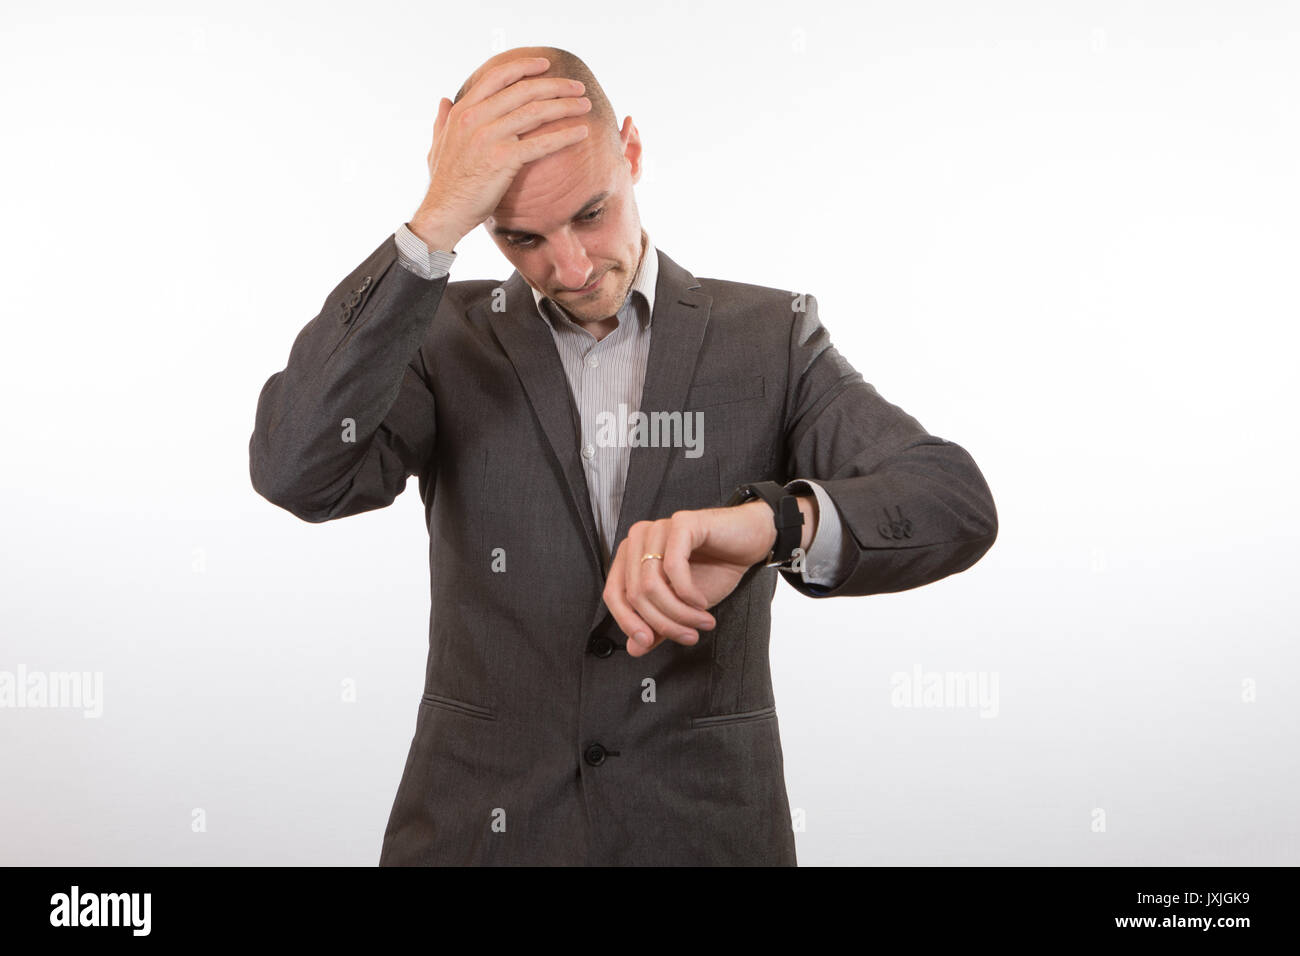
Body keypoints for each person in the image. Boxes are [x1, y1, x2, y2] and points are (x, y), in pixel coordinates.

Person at [249, 46, 998, 865]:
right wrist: (432, 224)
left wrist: (771, 524)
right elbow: (296, 468)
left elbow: (952, 503)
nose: (567, 267)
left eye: (592, 213)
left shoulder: (771, 337)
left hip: (702, 836)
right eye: (521, 237)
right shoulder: (435, 337)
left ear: (632, 152)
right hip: (479, 836)